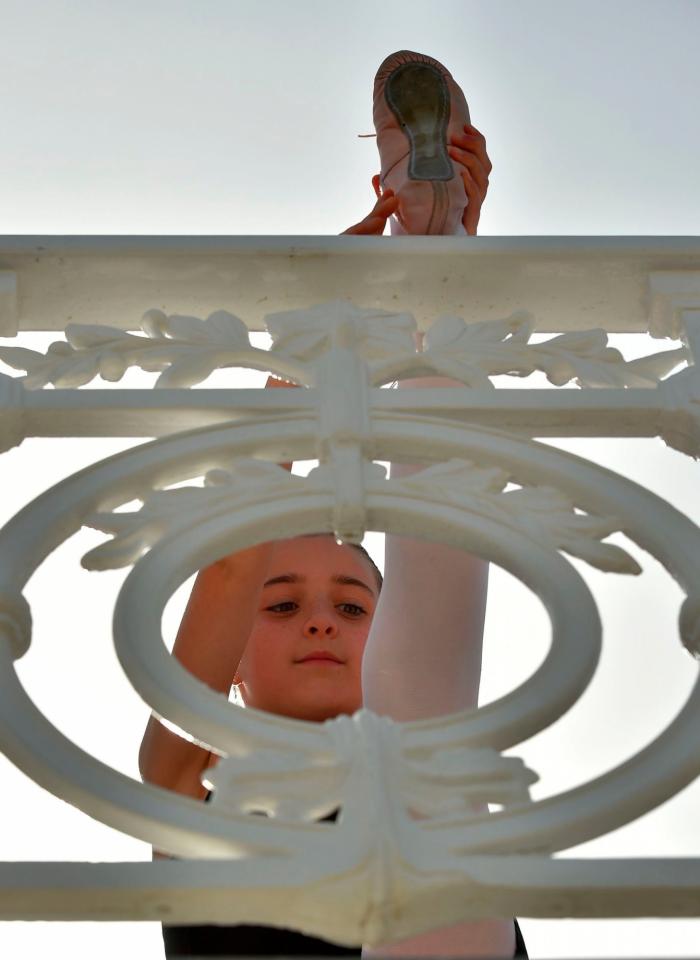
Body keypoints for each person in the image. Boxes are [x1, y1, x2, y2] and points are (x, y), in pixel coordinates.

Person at [140, 120, 527, 956]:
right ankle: (436, 254)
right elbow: (236, 548)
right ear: (231, 665)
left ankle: (435, 247)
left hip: (434, 875)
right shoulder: (190, 791)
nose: (320, 621)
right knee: (424, 759)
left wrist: (421, 282)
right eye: (280, 606)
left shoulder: (435, 783)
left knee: (420, 754)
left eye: (353, 607)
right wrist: (306, 359)